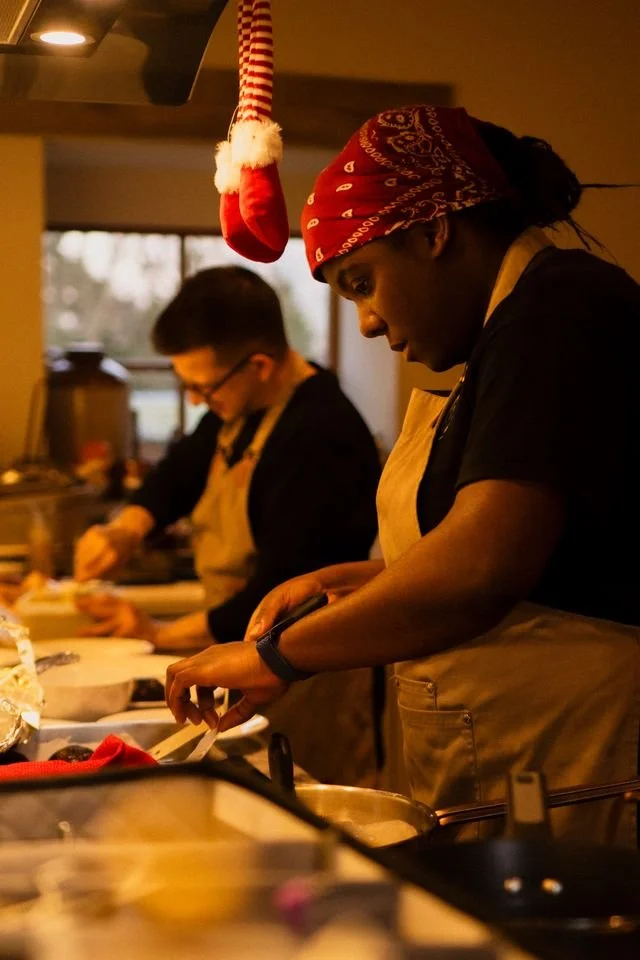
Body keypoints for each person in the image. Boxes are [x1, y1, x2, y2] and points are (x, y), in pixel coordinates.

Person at [164, 105, 640, 846]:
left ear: (433, 232)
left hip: (587, 760)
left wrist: (274, 656)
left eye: (362, 282)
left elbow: (481, 567)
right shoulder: (504, 334)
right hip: (524, 758)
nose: (365, 324)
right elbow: (556, 555)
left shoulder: (559, 310)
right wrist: (358, 578)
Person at [74, 265, 382, 785]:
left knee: (307, 816)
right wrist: (125, 529)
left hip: (309, 673)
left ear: (259, 364)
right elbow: (178, 473)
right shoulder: (241, 405)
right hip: (246, 652)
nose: (196, 400)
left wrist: (159, 634)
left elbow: (281, 589)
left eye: (202, 388)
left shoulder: (319, 435)